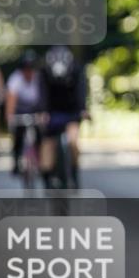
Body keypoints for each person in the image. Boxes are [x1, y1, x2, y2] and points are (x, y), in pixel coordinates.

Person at [41, 45, 88, 189]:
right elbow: (41, 94)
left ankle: (74, 174)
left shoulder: (77, 71)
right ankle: (47, 178)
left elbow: (81, 92)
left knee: (73, 143)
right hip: (51, 113)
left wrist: (83, 110)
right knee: (48, 147)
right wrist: (42, 112)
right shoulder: (44, 73)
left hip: (72, 113)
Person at [5, 50, 46, 175]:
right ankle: (17, 160)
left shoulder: (40, 79)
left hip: (36, 108)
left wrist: (44, 114)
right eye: (26, 68)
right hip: (19, 109)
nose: (28, 72)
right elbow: (11, 100)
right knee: (18, 134)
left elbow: (45, 98)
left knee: (40, 133)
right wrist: (9, 118)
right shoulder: (15, 79)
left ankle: (41, 161)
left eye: (31, 68)